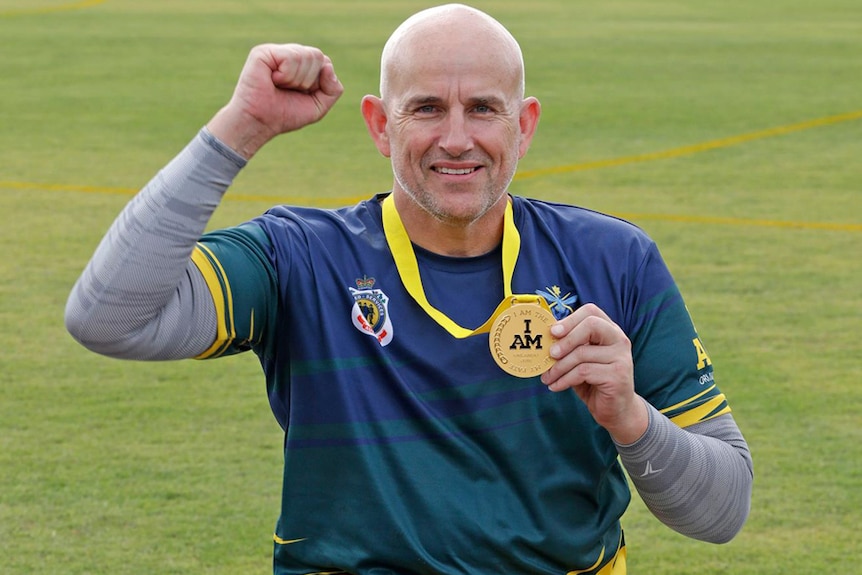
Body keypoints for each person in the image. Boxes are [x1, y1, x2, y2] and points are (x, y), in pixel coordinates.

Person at [65, 4, 753, 574]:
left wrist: (630, 417)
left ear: (526, 124)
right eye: (426, 108)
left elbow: (723, 509)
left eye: (484, 108)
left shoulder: (615, 260)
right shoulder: (300, 257)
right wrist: (242, 126)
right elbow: (108, 317)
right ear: (378, 123)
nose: (456, 138)